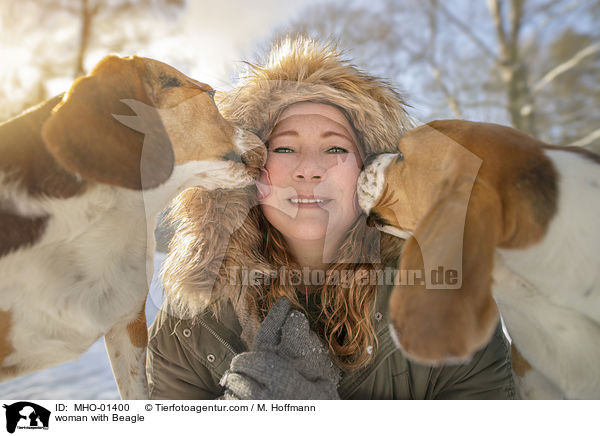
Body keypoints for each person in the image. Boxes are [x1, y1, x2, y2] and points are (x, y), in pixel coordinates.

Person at [146, 37, 518, 400]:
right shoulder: (191, 319)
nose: (309, 169)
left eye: (336, 148)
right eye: (285, 147)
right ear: (251, 168)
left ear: (369, 167)